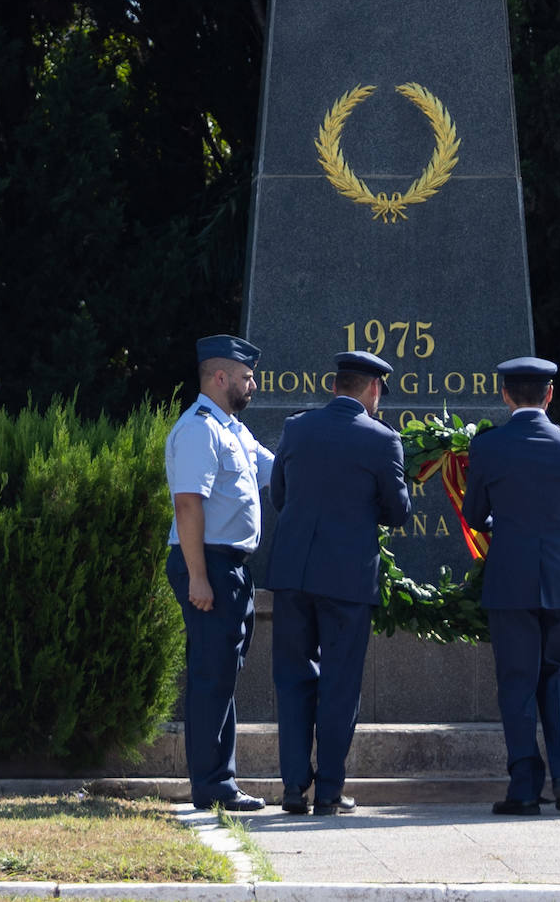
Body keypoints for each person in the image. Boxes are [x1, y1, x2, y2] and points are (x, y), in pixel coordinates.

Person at [266, 351, 412, 815]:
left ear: (335, 387)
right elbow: (399, 512)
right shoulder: (382, 440)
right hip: (347, 580)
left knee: (292, 681)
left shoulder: (297, 427)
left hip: (292, 574)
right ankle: (328, 790)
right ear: (373, 390)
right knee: (340, 684)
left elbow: (280, 495)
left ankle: (293, 788)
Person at [462, 356, 560, 816]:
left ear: (505, 395)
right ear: (550, 395)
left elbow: (474, 515)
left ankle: (523, 787)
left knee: (516, 680)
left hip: (511, 578)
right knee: (559, 676)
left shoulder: (489, 447)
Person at [164, 334, 274, 812]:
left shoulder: (234, 429)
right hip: (206, 562)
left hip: (227, 564)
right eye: (247, 377)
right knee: (212, 675)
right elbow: (188, 505)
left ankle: (219, 781)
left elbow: (279, 469)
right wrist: (198, 577)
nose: (253, 385)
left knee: (223, 673)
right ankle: (212, 787)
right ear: (221, 377)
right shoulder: (200, 429)